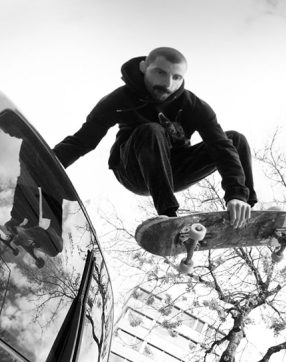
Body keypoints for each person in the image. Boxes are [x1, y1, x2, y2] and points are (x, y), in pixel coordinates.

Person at [53, 47, 258, 229]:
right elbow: (82, 141)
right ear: (144, 67)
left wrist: (236, 194)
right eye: (161, 73)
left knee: (234, 140)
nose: (168, 84)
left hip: (175, 170)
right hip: (134, 170)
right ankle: (168, 216)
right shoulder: (118, 99)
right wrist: (44, 164)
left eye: (176, 77)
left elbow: (221, 147)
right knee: (151, 130)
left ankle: (245, 208)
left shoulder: (193, 105)